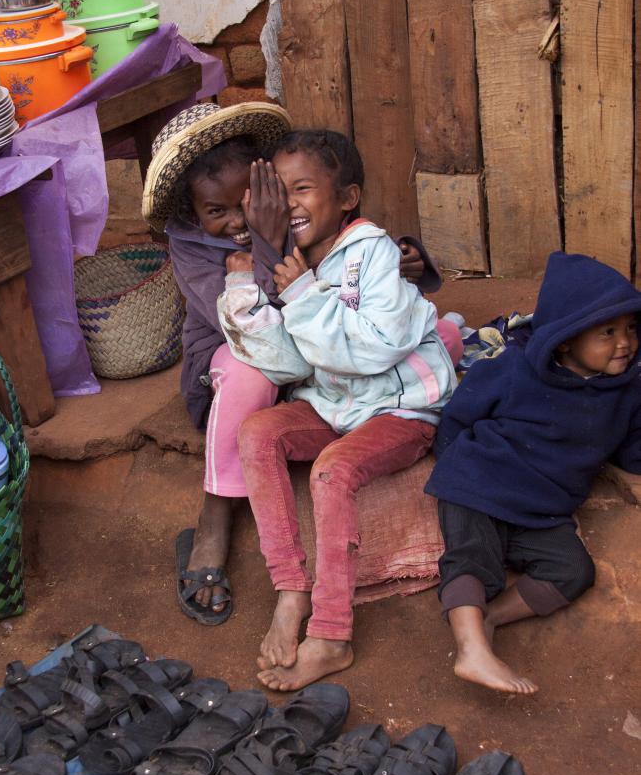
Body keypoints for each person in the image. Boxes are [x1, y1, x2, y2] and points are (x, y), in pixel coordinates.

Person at [143, 104, 459, 625]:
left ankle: (387, 413)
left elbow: (348, 260)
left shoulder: (284, 210)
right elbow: (253, 329)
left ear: (263, 182)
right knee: (253, 375)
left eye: (248, 200)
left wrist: (403, 258)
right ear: (192, 212)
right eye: (215, 211)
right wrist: (267, 244)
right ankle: (215, 518)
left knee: (439, 333)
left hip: (315, 353)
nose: (237, 222)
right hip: (241, 352)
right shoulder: (196, 247)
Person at [217, 129, 457, 689]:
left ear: (346, 198)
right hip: (335, 404)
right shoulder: (291, 261)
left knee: (332, 471)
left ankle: (330, 634)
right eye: (280, 191)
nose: (291, 203)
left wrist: (302, 294)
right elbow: (289, 365)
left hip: (400, 408)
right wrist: (246, 290)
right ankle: (291, 587)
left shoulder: (372, 252)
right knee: (258, 433)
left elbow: (375, 348)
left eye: (303, 188)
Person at [425, 251, 641, 695]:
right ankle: (470, 651)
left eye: (630, 329)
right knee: (471, 558)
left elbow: (632, 448)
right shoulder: (513, 369)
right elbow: (459, 415)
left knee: (574, 570)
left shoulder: (625, 389)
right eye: (607, 332)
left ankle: (490, 620)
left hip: (542, 509)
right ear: (564, 339)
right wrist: (453, 470)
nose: (625, 343)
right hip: (479, 483)